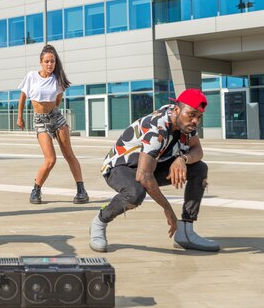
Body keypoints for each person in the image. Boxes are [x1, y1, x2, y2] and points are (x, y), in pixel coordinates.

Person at [89, 88, 219, 253]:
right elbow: (144, 176)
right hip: (120, 167)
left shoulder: (185, 124)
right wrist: (168, 209)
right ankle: (100, 221)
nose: (195, 121)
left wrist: (182, 159)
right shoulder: (156, 128)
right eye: (192, 114)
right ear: (177, 109)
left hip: (153, 165)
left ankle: (186, 232)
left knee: (199, 168)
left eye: (199, 117)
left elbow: (197, 151)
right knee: (135, 193)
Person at [16, 44, 89, 205]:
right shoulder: (31, 76)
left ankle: (81, 190)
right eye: (47, 61)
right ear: (41, 62)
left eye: (53, 62)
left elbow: (57, 100)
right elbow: (22, 98)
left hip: (56, 117)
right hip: (40, 120)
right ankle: (36, 190)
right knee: (50, 160)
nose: (50, 64)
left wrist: (53, 112)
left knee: (69, 154)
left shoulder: (58, 79)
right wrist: (19, 117)